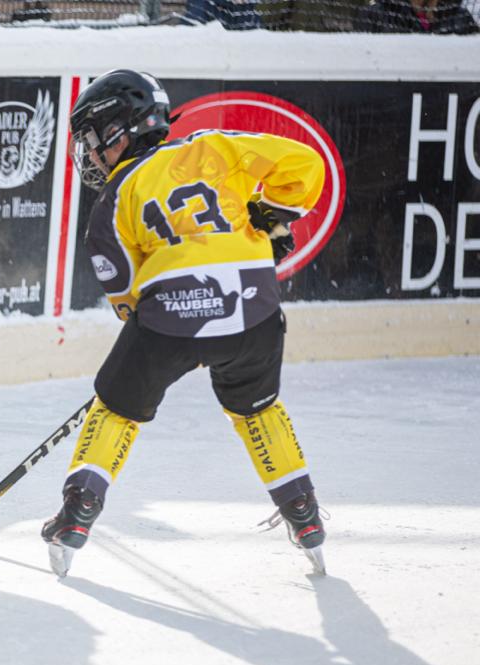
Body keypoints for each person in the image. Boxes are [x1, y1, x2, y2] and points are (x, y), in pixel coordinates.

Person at [41, 69, 328, 577]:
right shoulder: (215, 146)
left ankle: (78, 512)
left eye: (90, 141)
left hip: (167, 323)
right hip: (254, 313)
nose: (88, 154)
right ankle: (304, 515)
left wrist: (150, 343)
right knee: (258, 410)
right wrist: (270, 214)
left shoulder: (113, 198)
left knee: (116, 410)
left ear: (118, 132)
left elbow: (126, 293)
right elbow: (306, 163)